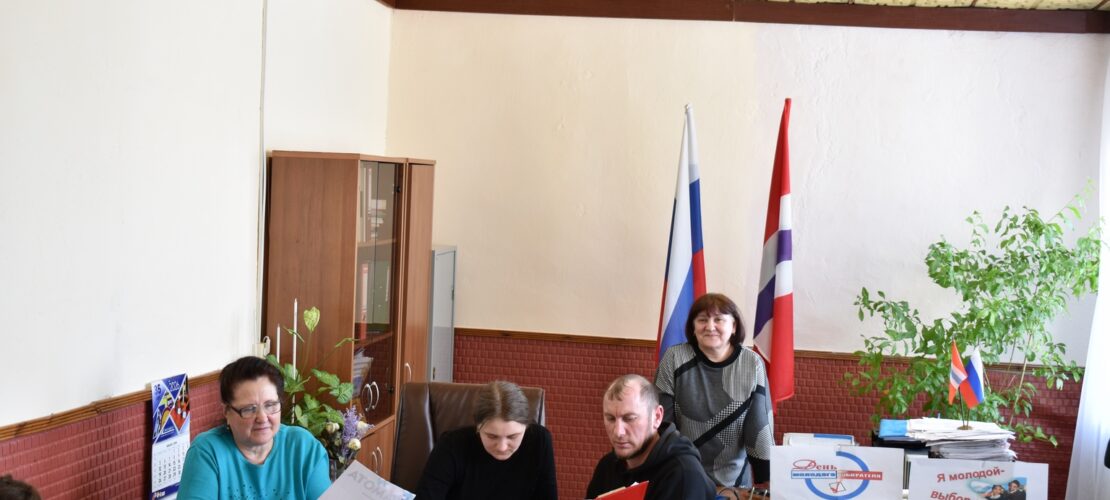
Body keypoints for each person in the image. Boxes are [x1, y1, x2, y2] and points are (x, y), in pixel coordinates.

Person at [654, 293, 773, 494]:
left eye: (718, 319)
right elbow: (661, 423)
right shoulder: (674, 358)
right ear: (693, 327)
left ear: (734, 326)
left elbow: (759, 426)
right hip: (682, 476)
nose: (710, 327)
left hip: (734, 483)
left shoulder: (752, 363)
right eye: (702, 320)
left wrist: (767, 477)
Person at [178, 356, 330, 500]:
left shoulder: (304, 447)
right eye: (249, 409)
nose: (262, 418)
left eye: (270, 405)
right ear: (227, 412)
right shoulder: (207, 452)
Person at [415, 380, 557, 499]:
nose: (502, 447)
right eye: (492, 436)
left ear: (526, 427)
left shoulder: (539, 441)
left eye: (512, 436)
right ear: (478, 427)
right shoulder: (451, 445)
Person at [586, 374, 716, 500]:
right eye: (610, 419)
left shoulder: (684, 474)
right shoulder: (607, 466)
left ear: (657, 417)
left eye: (629, 419)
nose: (618, 432)